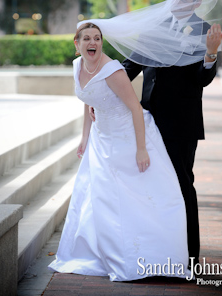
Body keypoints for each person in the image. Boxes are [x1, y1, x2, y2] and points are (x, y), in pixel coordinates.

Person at [88, 0, 222, 267]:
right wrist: (99, 96)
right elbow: (130, 67)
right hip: (148, 120)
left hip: (182, 124)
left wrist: (211, 52)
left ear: (197, 2)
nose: (177, 1)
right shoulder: (156, 27)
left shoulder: (205, 31)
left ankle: (189, 256)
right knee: (151, 185)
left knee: (181, 183)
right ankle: (159, 250)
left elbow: (203, 80)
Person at [48, 22, 191, 281]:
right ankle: (105, 253)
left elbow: (136, 110)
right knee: (101, 198)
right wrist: (84, 136)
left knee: (139, 199)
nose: (93, 42)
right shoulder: (77, 66)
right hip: (102, 139)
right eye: (87, 38)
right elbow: (89, 98)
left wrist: (141, 149)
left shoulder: (112, 70)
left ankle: (149, 256)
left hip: (129, 136)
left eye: (97, 38)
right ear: (76, 43)